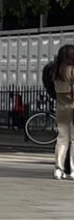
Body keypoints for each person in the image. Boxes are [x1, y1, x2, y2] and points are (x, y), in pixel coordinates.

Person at [46, 45, 74, 179]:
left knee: (61, 139)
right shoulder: (72, 70)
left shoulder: (56, 71)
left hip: (61, 108)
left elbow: (51, 88)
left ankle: (58, 168)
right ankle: (73, 170)